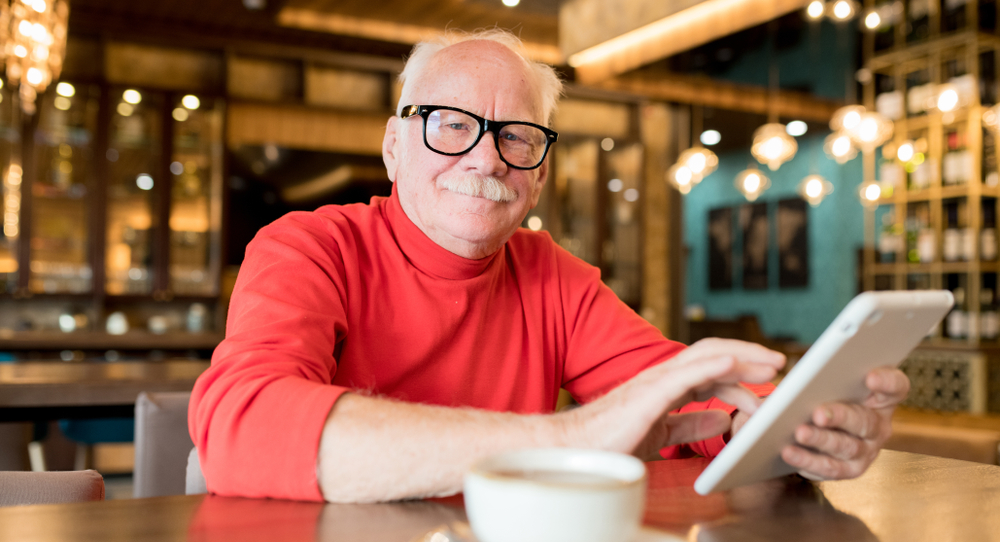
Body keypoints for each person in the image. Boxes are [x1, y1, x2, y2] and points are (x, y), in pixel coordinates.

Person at [188, 29, 909, 503]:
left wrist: (790, 428)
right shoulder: (308, 245)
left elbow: (686, 405)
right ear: (392, 146)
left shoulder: (550, 273)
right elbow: (243, 429)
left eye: (517, 136)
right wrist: (570, 437)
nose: (486, 157)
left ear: (537, 175)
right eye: (450, 124)